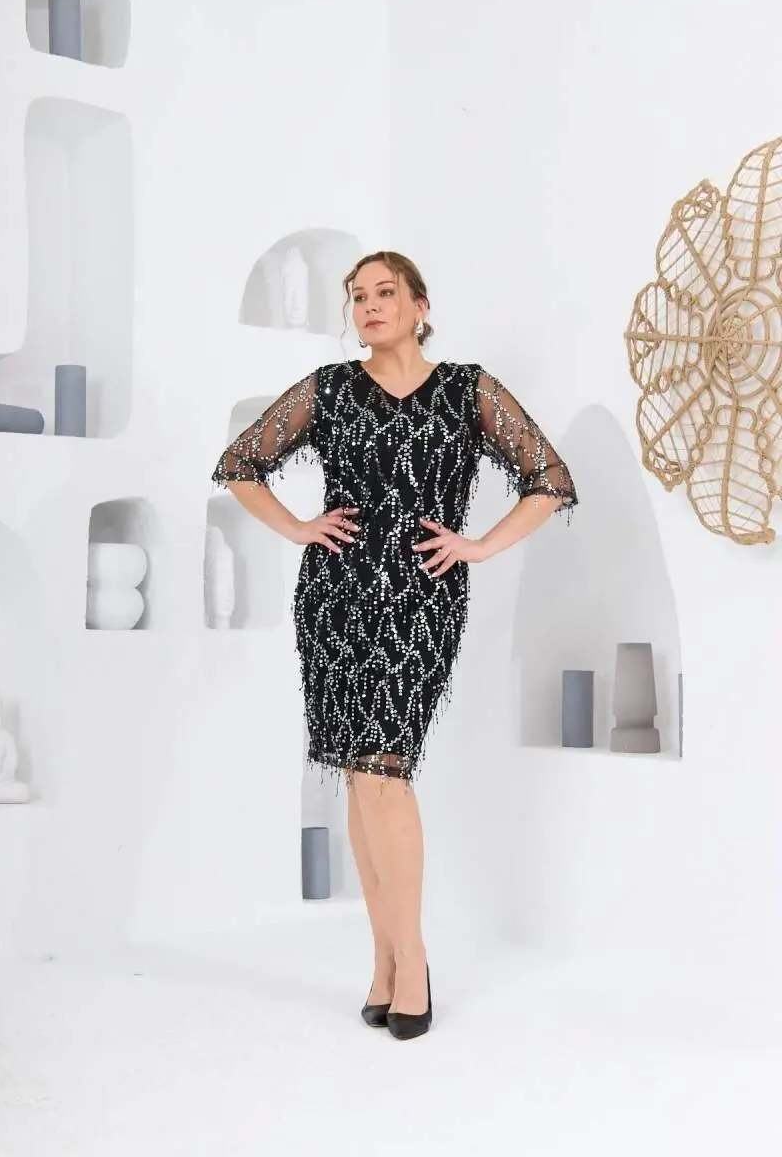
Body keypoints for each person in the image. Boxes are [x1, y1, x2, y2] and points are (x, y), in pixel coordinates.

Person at [211, 251, 577, 1040]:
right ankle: (383, 963)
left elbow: (549, 479)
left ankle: (412, 960)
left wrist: (477, 546)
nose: (369, 306)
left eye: (385, 292)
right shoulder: (329, 389)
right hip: (335, 598)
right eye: (357, 296)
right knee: (360, 776)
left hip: (422, 599)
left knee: (384, 771)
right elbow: (240, 464)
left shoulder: (469, 389)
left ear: (420, 305)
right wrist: (300, 528)